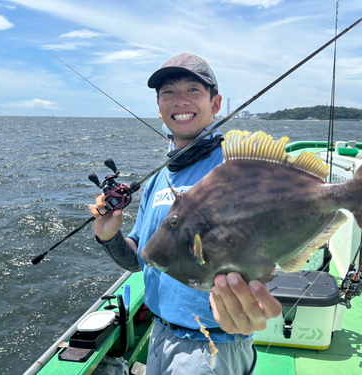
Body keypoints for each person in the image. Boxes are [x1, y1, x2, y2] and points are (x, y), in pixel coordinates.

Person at [89, 53, 282, 375]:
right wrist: (109, 236)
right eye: (168, 92)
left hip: (212, 343)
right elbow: (140, 260)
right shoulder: (158, 176)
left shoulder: (234, 167)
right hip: (160, 332)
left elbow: (268, 251)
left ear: (216, 103)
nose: (180, 100)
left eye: (193, 90)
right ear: (159, 107)